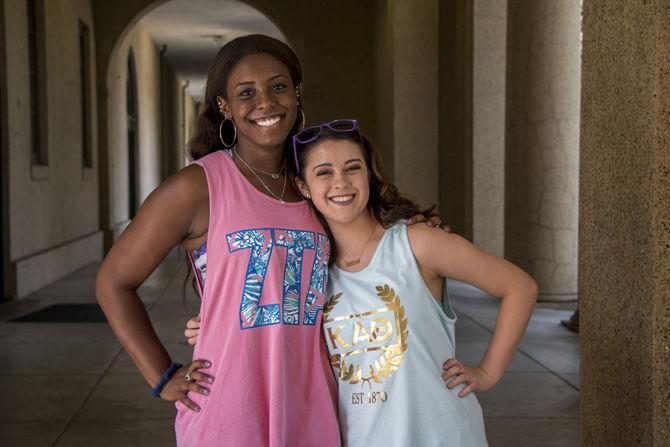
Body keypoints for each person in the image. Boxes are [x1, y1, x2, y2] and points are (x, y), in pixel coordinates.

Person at [96, 35, 438, 446]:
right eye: (246, 93)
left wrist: (414, 228)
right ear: (224, 105)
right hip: (229, 408)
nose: (265, 102)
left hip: (315, 403)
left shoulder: (315, 184)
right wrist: (162, 375)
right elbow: (114, 281)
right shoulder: (198, 187)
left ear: (296, 94)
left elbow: (367, 239)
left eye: (278, 86)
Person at [187, 119, 539, 446]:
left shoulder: (416, 244)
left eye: (352, 167)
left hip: (442, 434)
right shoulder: (314, 271)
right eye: (323, 172)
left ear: (369, 175)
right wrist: (214, 325)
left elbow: (519, 287)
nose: (340, 182)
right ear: (303, 186)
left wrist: (488, 372)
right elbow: (273, 322)